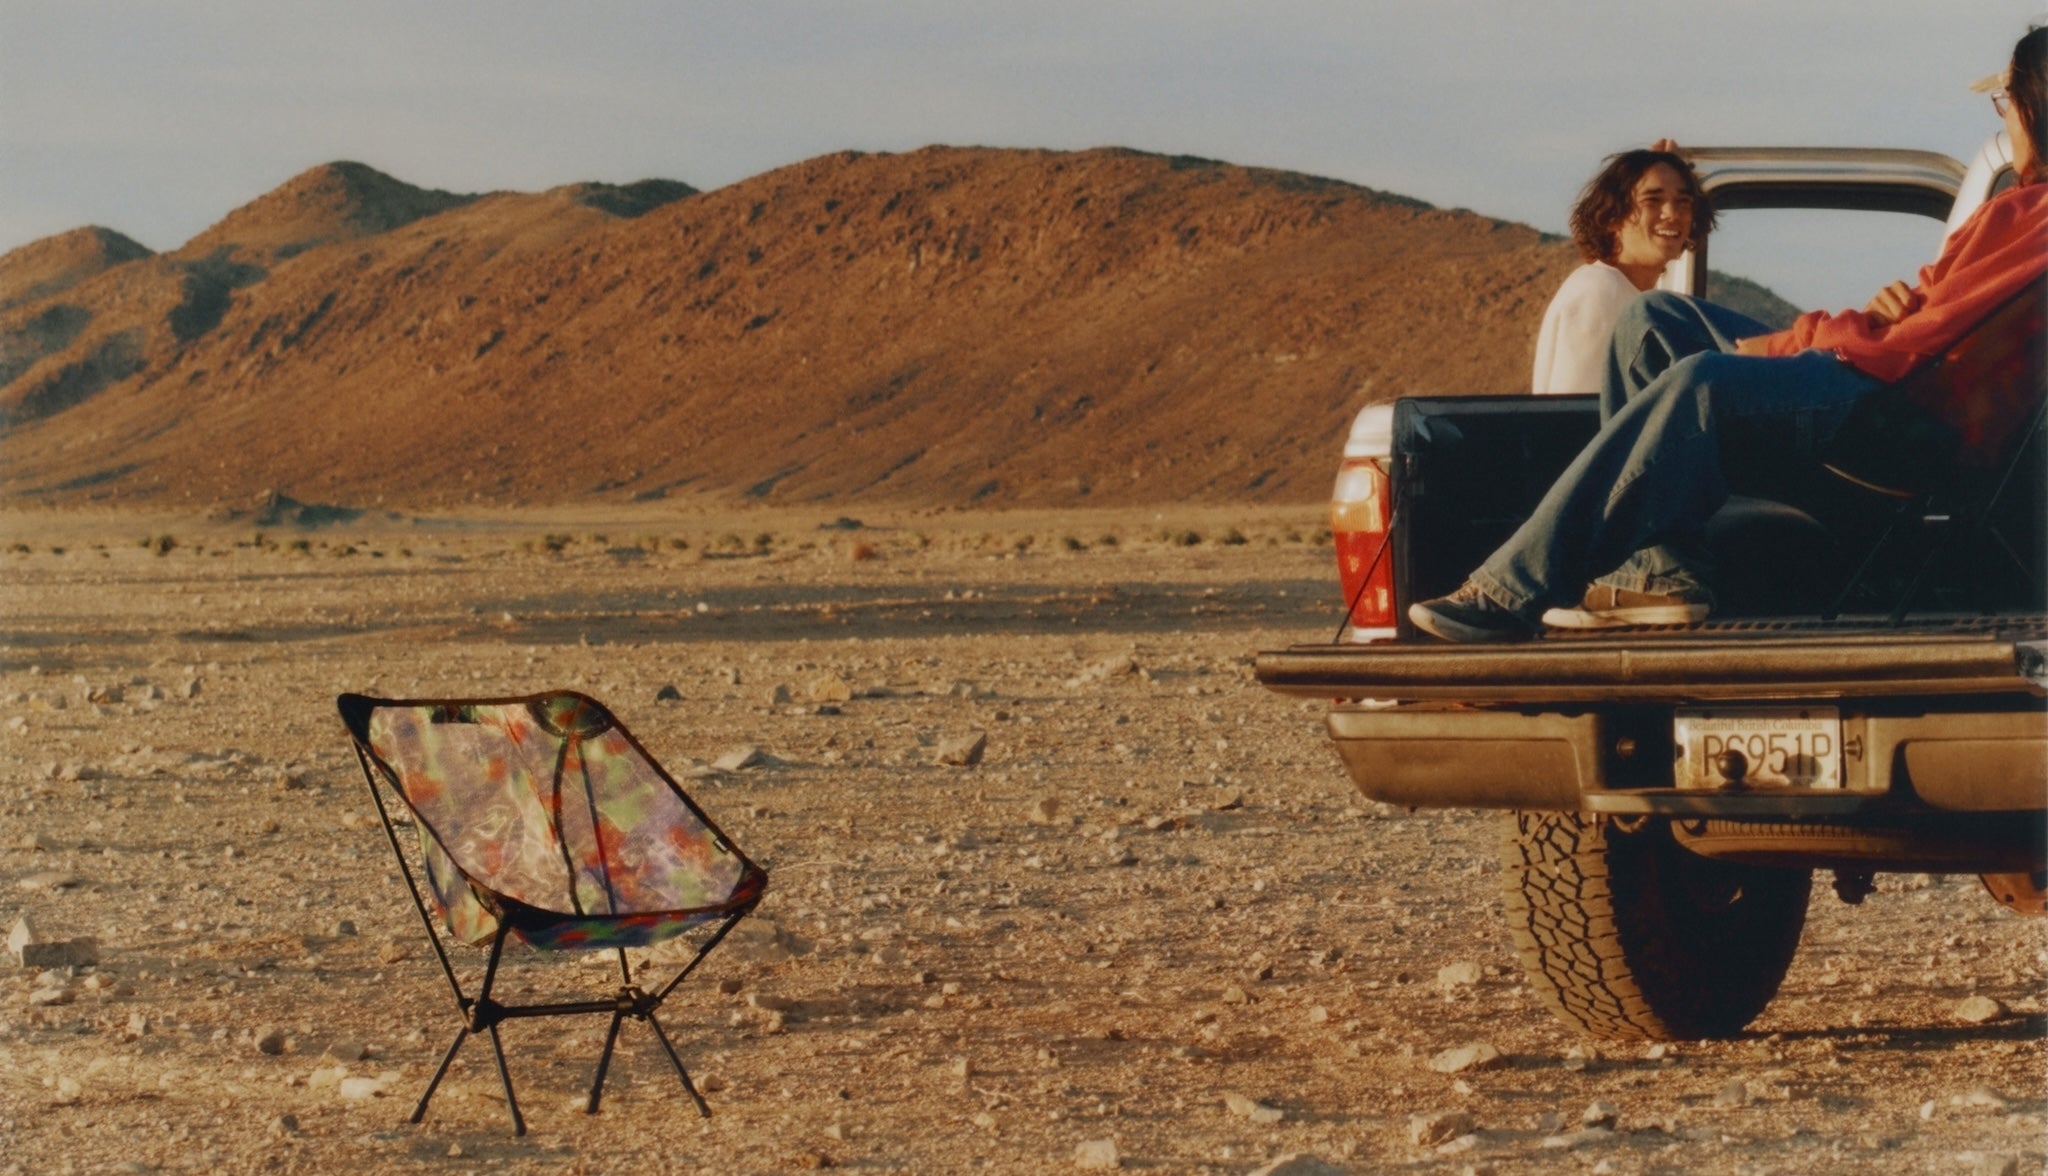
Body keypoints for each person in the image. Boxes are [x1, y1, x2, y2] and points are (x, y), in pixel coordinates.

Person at [1410, 26, 2048, 643]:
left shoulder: (2032, 220)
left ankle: (1511, 589)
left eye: (2008, 102)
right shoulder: (2016, 212)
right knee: (1653, 321)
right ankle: (1660, 575)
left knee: (1703, 379)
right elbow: (1932, 311)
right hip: (1898, 388)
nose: (2004, 119)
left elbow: (1920, 344)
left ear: (2035, 105)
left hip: (1902, 418)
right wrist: (1896, 305)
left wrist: (1789, 343)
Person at [1532, 144, 1715, 396]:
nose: (1673, 213)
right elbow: (1578, 413)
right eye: (1653, 200)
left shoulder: (1630, 295)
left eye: (1683, 201)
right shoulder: (1599, 291)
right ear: (1613, 216)